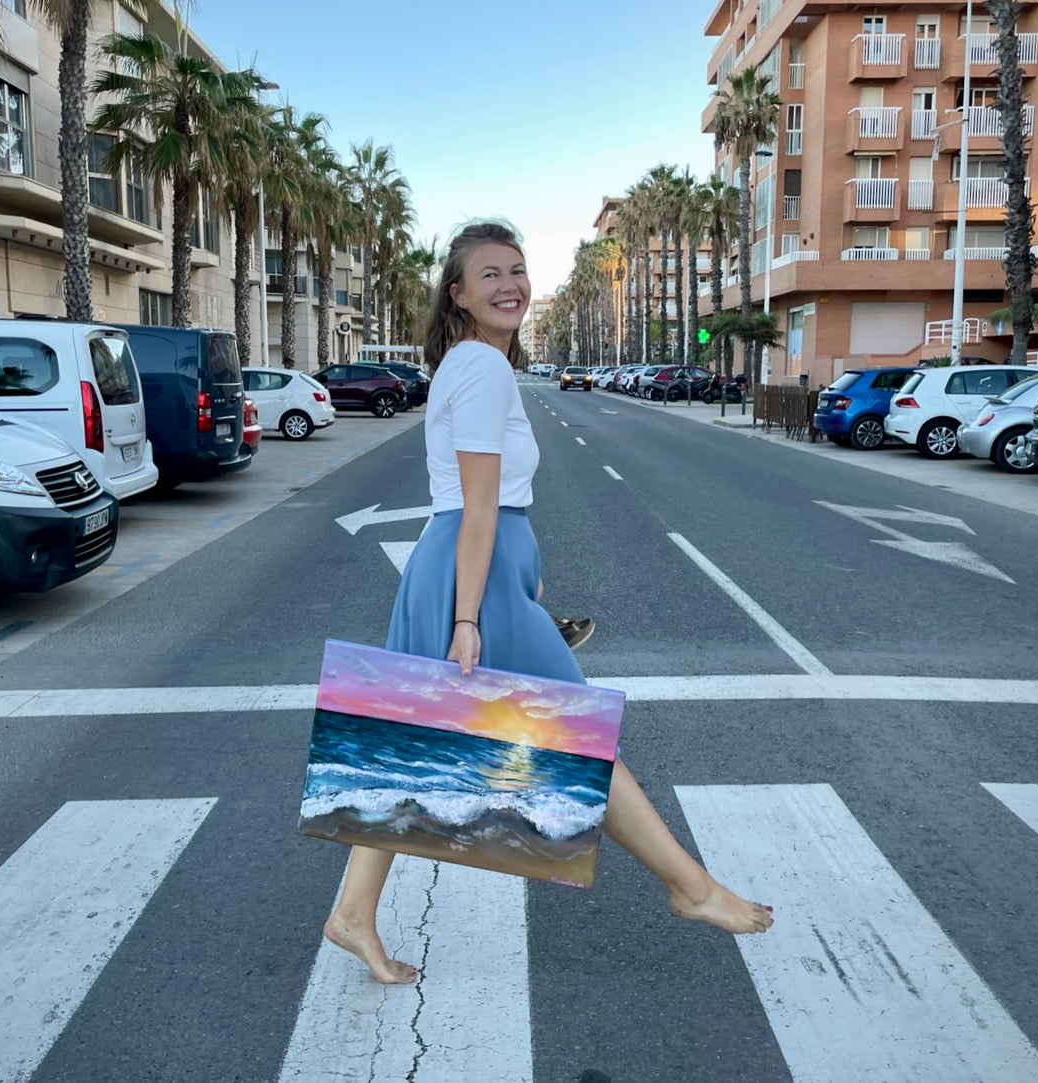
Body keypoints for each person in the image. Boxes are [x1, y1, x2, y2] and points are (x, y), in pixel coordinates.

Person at [321, 221, 774, 985]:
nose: (510, 285)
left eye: (518, 270)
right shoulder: (481, 368)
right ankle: (689, 887)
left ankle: (351, 912)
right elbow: (476, 503)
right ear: (457, 293)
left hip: (482, 566)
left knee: (418, 736)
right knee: (573, 734)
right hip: (472, 568)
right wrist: (471, 615)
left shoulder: (475, 366)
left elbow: (490, 502)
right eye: (488, 274)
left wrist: (521, 577)